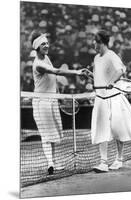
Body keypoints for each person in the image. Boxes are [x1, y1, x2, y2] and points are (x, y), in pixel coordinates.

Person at [31, 32, 83, 175]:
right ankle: (50, 163)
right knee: (46, 135)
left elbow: (52, 78)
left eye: (47, 43)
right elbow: (58, 71)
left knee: (52, 134)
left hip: (52, 100)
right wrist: (77, 72)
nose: (47, 45)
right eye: (43, 44)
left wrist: (58, 94)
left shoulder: (46, 57)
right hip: (42, 103)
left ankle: (52, 162)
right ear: (36, 47)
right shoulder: (38, 64)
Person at [90, 30, 131, 172]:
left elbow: (120, 71)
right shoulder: (96, 58)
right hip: (100, 99)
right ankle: (103, 163)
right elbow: (99, 76)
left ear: (101, 42)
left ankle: (119, 159)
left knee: (118, 130)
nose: (93, 43)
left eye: (95, 41)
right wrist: (91, 76)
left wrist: (111, 82)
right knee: (100, 130)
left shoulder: (111, 55)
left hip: (114, 98)